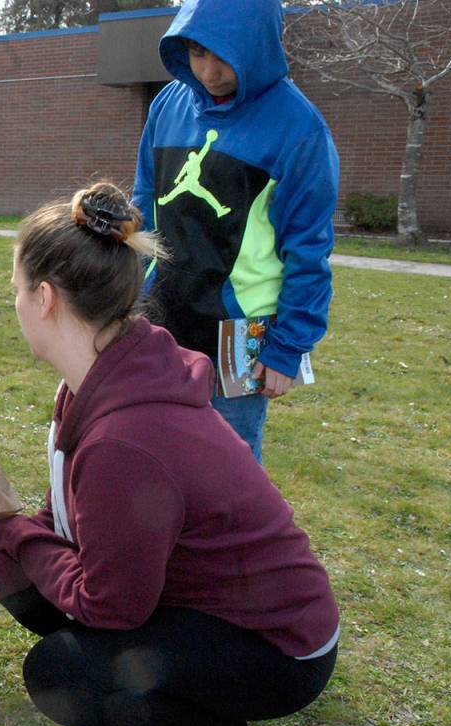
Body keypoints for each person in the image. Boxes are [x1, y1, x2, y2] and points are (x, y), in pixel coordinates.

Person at [0, 182, 339, 726]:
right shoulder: (107, 373)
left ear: (47, 298)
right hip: (201, 604)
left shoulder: (126, 439)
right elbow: (66, 521)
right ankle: (171, 684)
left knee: (63, 676)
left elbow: (113, 605)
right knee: (12, 555)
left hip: (279, 649)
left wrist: (10, 532)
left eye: (15, 290)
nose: (14, 302)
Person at [131, 0, 339, 463]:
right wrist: (120, 288)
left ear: (258, 44)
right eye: (197, 52)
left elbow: (308, 250)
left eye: (225, 53)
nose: (208, 71)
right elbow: (144, 201)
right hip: (159, 315)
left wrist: (287, 350)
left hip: (242, 335)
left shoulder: (300, 129)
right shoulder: (168, 105)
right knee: (153, 447)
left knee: (229, 465)